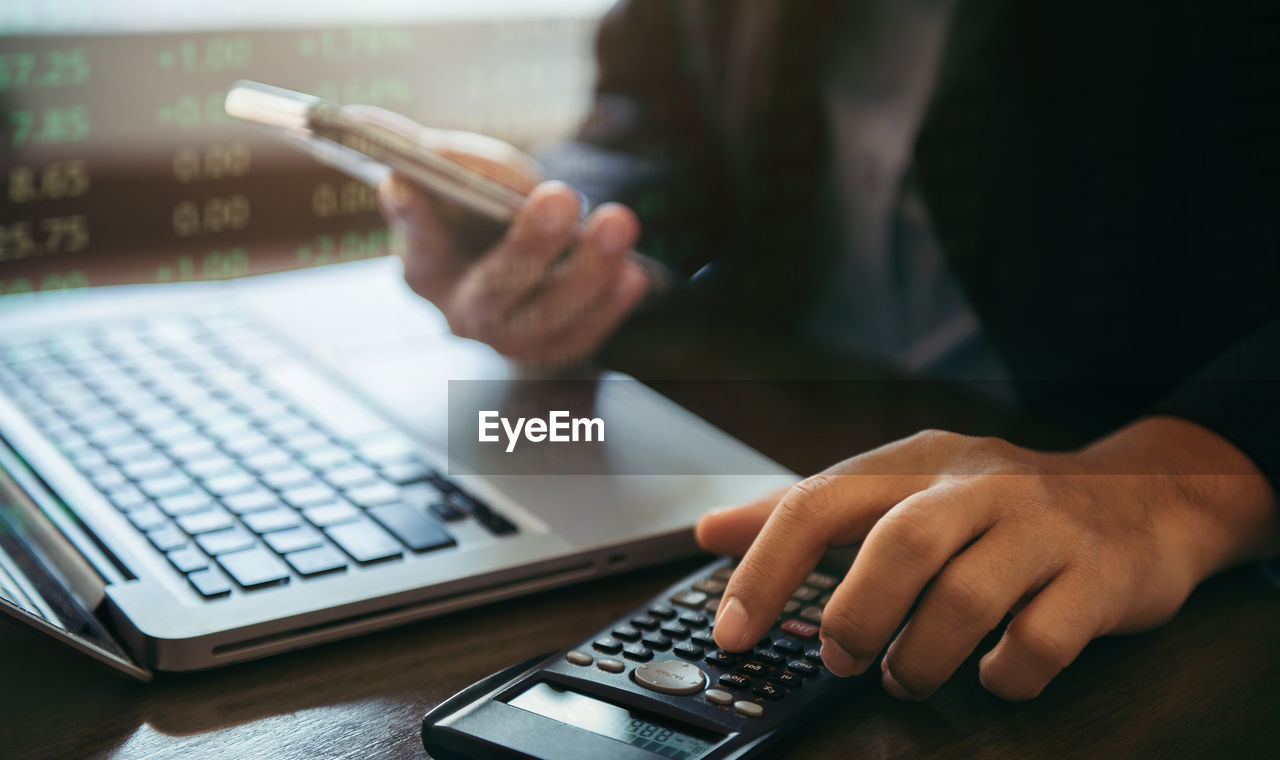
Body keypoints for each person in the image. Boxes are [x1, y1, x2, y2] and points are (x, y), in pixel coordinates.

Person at [376, 0, 1280, 701]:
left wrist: (1182, 475)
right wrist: (556, 236)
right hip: (789, 434)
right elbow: (649, 127)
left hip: (1133, 531)